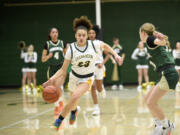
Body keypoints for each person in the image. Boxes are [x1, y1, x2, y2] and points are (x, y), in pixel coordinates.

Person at [43, 16, 122, 130]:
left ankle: (58, 121)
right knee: (73, 101)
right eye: (79, 35)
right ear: (76, 36)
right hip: (74, 77)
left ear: (87, 36)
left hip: (87, 79)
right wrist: (51, 80)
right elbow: (63, 69)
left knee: (75, 96)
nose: (81, 37)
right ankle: (74, 111)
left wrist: (116, 55)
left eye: (83, 35)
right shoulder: (71, 49)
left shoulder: (93, 44)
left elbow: (106, 46)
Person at [140, 23, 178, 135]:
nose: (140, 36)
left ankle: (167, 126)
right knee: (147, 100)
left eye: (140, 33)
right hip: (164, 73)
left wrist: (161, 40)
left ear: (143, 33)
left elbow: (159, 42)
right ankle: (159, 125)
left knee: (151, 102)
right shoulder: (151, 40)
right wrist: (161, 40)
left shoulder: (150, 39)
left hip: (168, 73)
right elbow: (161, 43)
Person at [88, 25, 114, 115]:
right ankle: (96, 108)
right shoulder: (85, 44)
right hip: (90, 68)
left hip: (99, 67)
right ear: (87, 34)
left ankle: (101, 88)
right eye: (90, 33)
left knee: (98, 88)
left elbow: (108, 55)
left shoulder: (99, 43)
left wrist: (102, 63)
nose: (91, 34)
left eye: (93, 33)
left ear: (95, 34)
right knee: (92, 87)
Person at [41, 27, 67, 119]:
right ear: (50, 34)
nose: (55, 34)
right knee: (52, 88)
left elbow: (67, 56)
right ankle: (57, 105)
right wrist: (48, 56)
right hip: (51, 68)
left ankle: (60, 105)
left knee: (59, 87)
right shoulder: (47, 44)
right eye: (53, 32)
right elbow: (43, 59)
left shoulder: (62, 43)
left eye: (56, 32)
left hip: (61, 67)